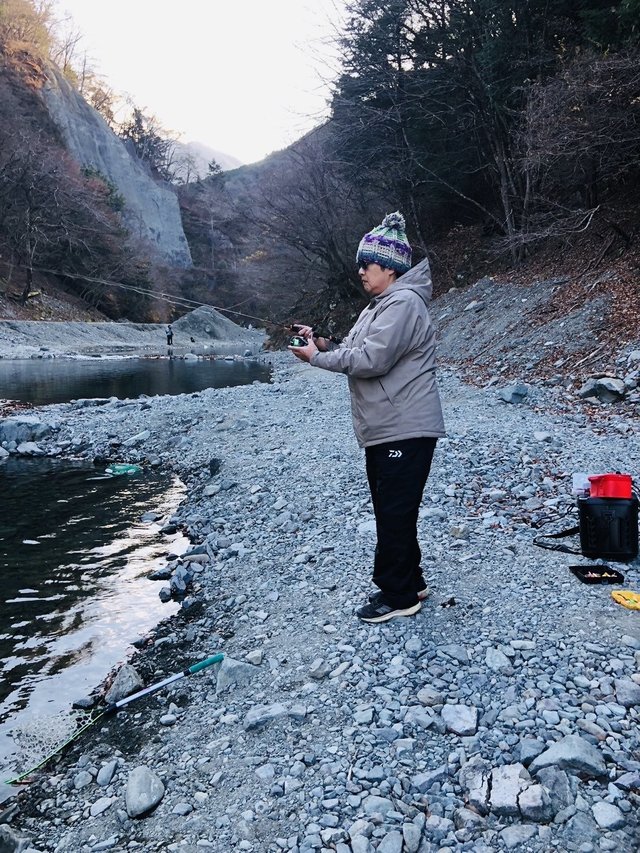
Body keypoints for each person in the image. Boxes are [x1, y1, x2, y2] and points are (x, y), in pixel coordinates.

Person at [289, 212, 445, 623]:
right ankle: (411, 580)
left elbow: (372, 360)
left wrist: (316, 359)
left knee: (393, 512)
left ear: (391, 268)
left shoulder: (403, 303)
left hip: (403, 426)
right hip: (389, 426)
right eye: (361, 264)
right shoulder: (383, 305)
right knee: (395, 509)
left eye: (368, 264)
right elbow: (357, 348)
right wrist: (321, 343)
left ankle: (398, 596)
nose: (360, 271)